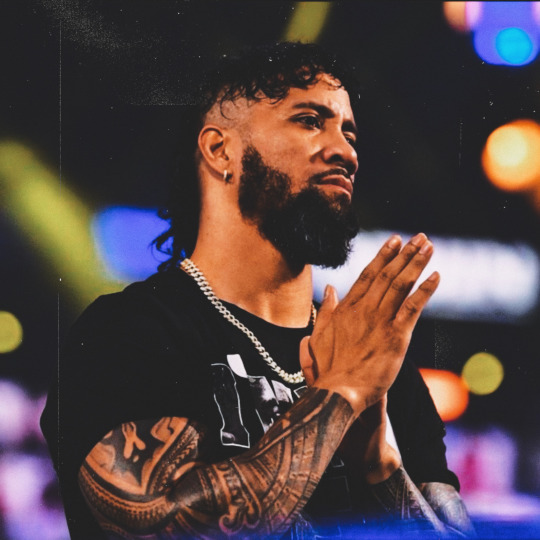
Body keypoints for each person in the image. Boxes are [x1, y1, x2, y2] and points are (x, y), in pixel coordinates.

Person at [41, 42, 475, 539]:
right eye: (310, 121)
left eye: (348, 131)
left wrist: (380, 465)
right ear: (220, 150)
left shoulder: (372, 359)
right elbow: (156, 519)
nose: (346, 151)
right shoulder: (126, 333)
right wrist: (340, 396)